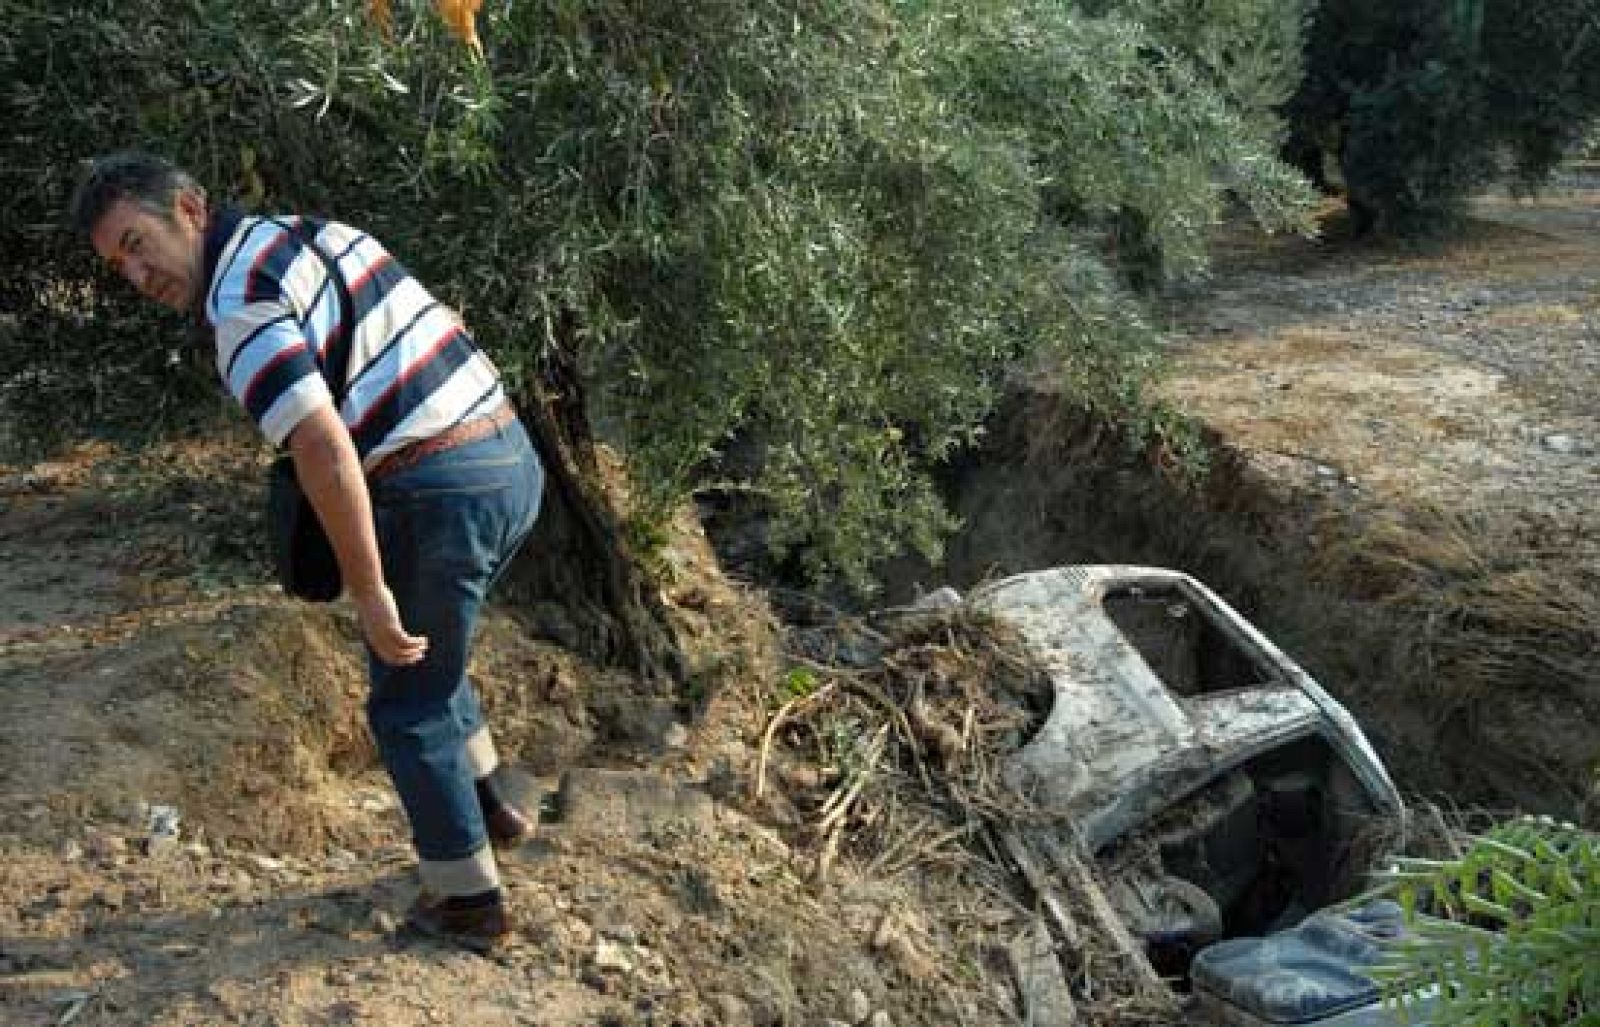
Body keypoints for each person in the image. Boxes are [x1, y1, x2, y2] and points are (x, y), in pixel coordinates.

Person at [70, 151, 542, 953]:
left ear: (189, 207)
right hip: (510, 460)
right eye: (120, 263)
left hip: (439, 489)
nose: (137, 273)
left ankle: (469, 902)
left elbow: (324, 448)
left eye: (137, 242)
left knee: (406, 698)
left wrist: (367, 589)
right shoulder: (308, 236)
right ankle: (494, 803)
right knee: (434, 655)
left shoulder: (241, 304)